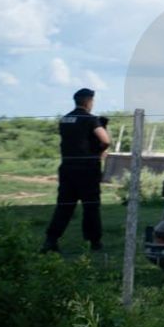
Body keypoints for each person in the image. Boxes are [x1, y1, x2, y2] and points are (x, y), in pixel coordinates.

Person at [42, 88, 110, 253]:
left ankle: (51, 240)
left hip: (67, 168)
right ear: (88, 102)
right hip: (87, 169)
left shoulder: (65, 119)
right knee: (91, 206)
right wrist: (100, 153)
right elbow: (105, 140)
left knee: (64, 206)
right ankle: (94, 242)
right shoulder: (91, 119)